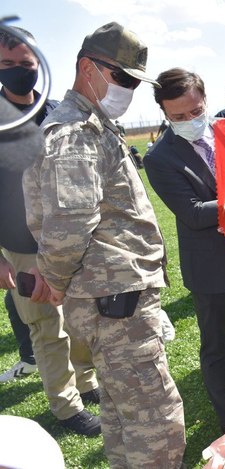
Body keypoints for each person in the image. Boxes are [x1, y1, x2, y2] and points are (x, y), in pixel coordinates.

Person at [23, 22, 185, 467]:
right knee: (156, 421)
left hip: (112, 298)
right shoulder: (75, 131)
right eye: (124, 78)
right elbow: (69, 222)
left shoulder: (93, 123)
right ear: (87, 68)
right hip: (115, 302)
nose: (130, 89)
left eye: (136, 81)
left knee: (121, 414)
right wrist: (54, 279)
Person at [144, 68, 225, 445]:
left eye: (194, 112)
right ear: (165, 114)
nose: (189, 121)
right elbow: (195, 213)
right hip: (209, 268)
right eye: (177, 117)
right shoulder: (159, 159)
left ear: (205, 100)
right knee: (215, 346)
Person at [0, 26, 101, 436]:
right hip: (22, 246)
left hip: (70, 243)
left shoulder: (58, 113)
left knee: (80, 318)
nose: (19, 71)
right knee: (47, 326)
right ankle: (66, 406)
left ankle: (87, 382)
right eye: (7, 65)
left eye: (26, 64)